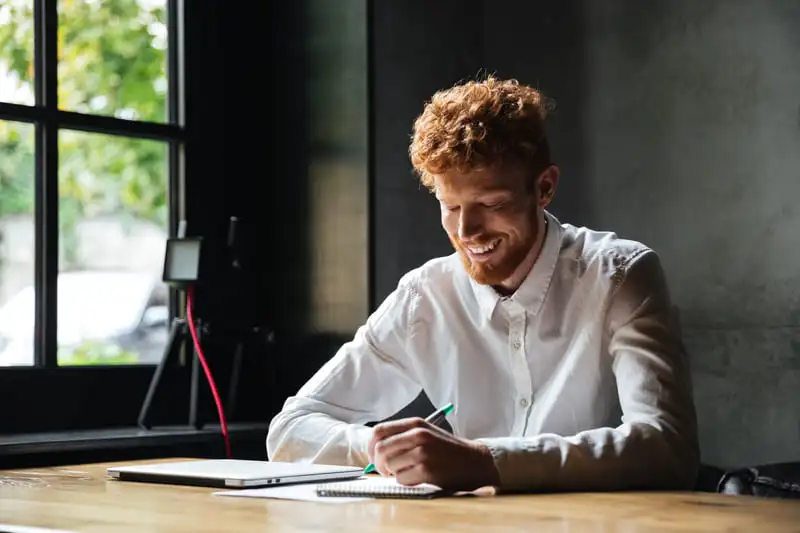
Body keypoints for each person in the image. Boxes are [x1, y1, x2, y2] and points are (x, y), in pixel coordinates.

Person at [267, 76, 699, 493]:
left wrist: (486, 461)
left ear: (544, 187)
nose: (467, 231)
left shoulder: (620, 275)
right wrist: (381, 447)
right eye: (449, 205)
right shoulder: (425, 297)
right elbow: (289, 430)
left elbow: (666, 446)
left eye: (491, 204)